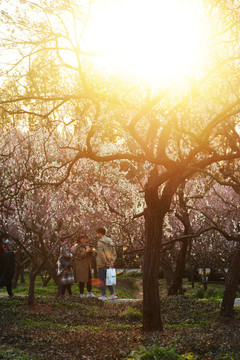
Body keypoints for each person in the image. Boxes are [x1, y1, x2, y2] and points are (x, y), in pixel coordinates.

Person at [96, 227, 117, 300]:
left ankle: (104, 295)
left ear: (100, 233)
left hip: (102, 264)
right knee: (109, 278)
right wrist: (112, 262)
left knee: (102, 280)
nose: (97, 235)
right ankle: (113, 294)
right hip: (110, 263)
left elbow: (101, 255)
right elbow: (114, 252)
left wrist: (106, 263)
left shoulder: (100, 242)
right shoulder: (110, 240)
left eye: (97, 234)